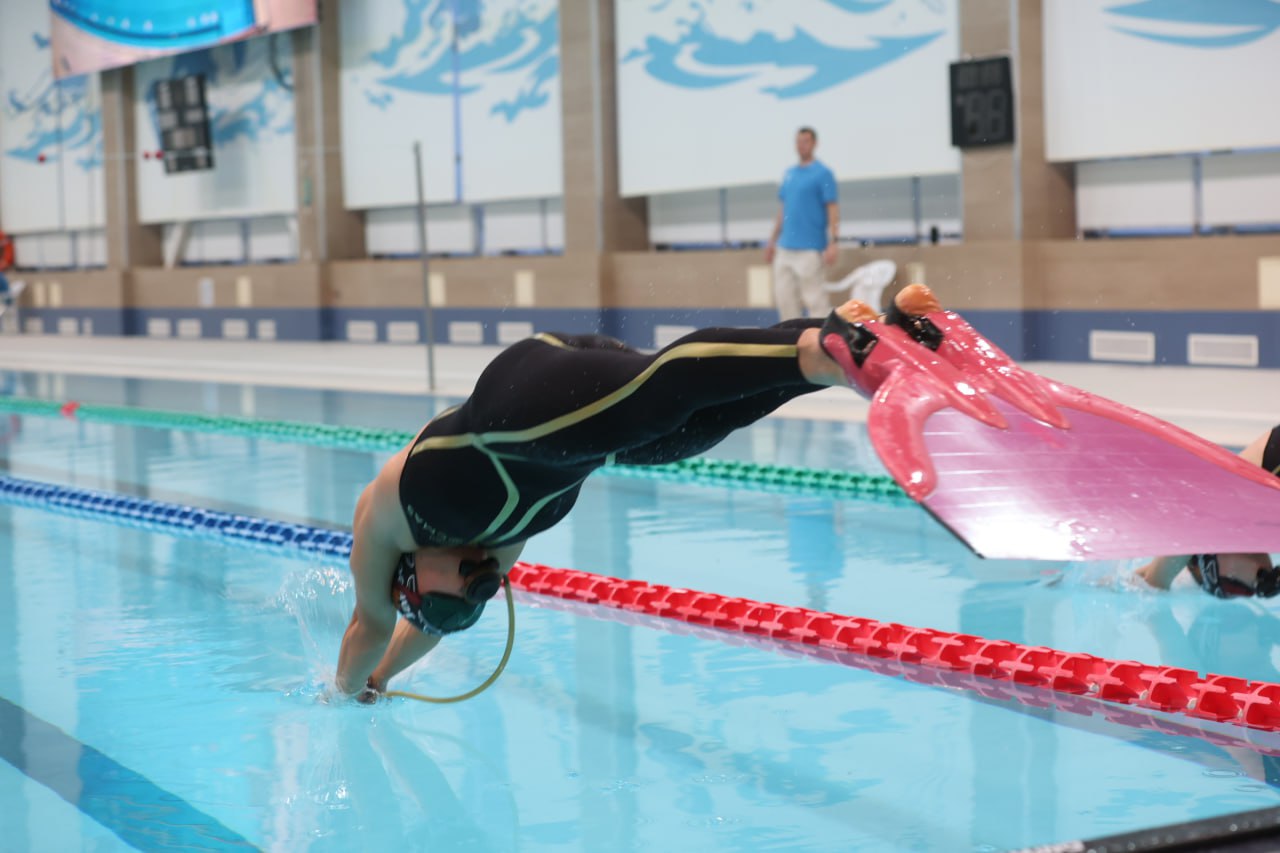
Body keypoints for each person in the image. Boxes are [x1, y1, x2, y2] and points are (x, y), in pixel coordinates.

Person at [333, 285, 945, 699]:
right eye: (479, 600)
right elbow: (432, 622)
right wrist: (386, 681)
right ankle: (880, 334)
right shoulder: (488, 556)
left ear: (408, 581)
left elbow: (370, 624)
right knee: (702, 423)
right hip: (584, 432)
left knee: (656, 399)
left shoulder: (388, 521)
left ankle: (826, 348)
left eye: (451, 601)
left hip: (521, 402)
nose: (478, 589)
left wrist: (351, 692)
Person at [1135, 425, 1280, 598]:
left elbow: (1154, 585)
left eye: (1232, 587)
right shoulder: (1253, 513)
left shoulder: (1213, 513)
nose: (1251, 592)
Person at [764, 127, 840, 321]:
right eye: (798, 141)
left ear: (814, 143)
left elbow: (832, 209)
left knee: (816, 302)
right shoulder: (789, 174)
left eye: (806, 141)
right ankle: (792, 343)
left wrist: (833, 242)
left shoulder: (823, 173)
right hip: (785, 248)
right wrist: (772, 241)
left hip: (810, 249)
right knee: (785, 300)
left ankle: (821, 343)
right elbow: (783, 211)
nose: (801, 145)